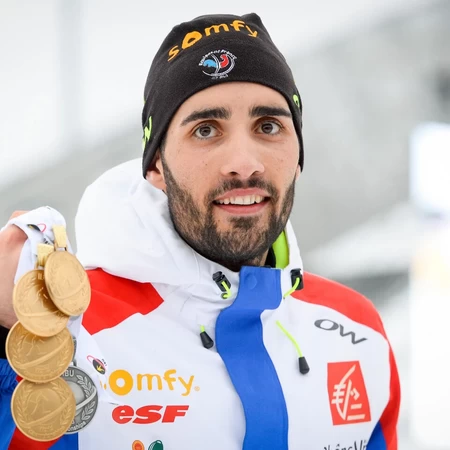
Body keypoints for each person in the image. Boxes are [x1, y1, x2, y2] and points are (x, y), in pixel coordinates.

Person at [0, 12, 400, 450]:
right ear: (156, 164)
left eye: (268, 127)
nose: (244, 163)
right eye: (206, 130)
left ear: (299, 157)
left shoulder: (356, 329)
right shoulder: (64, 332)